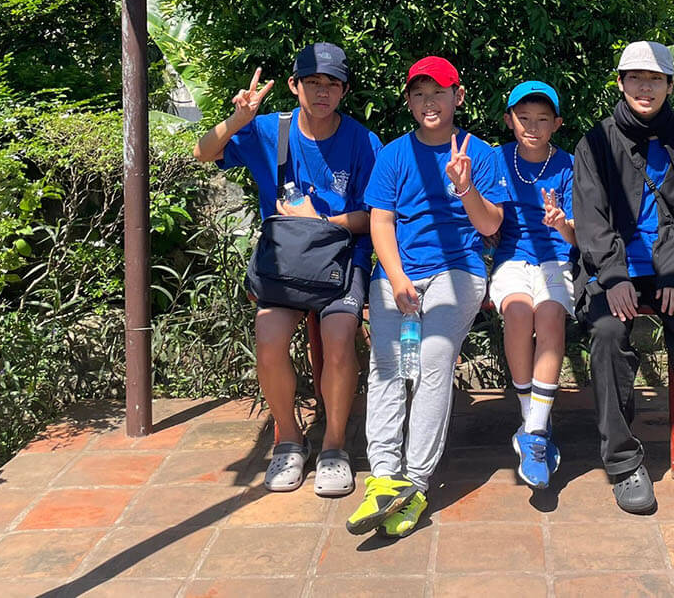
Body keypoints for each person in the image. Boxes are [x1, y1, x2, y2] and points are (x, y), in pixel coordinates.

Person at [193, 43, 380, 497]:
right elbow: (203, 152)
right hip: (286, 262)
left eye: (332, 84)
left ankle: (334, 446)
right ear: (295, 85)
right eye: (313, 82)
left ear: (344, 91)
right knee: (268, 335)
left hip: (342, 260)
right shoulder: (268, 130)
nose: (322, 92)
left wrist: (320, 220)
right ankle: (290, 440)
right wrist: (236, 120)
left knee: (340, 335)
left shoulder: (362, 141)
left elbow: (375, 216)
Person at [346, 56, 511, 538]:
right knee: (388, 365)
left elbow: (490, 225)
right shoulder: (394, 154)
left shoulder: (480, 154)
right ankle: (383, 476)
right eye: (418, 94)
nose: (428, 102)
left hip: (457, 272)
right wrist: (396, 278)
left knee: (434, 358)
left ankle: (415, 483)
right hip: (397, 273)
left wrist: (465, 187)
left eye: (437, 92)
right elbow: (381, 221)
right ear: (409, 102)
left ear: (457, 96)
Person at [572, 40, 674, 515]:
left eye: (655, 79)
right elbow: (591, 217)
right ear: (620, 83)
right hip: (614, 268)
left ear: (669, 85)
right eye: (636, 78)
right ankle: (623, 462)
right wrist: (613, 274)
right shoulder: (595, 143)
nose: (645, 88)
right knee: (607, 334)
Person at [490, 80, 576, 491]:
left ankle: (535, 432)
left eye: (543, 119)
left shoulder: (569, 165)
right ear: (509, 120)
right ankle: (534, 422)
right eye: (523, 118)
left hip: (557, 259)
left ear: (556, 124)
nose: (532, 126)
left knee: (551, 315)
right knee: (519, 312)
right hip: (511, 260)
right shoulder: (496, 159)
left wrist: (561, 224)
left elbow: (578, 235)